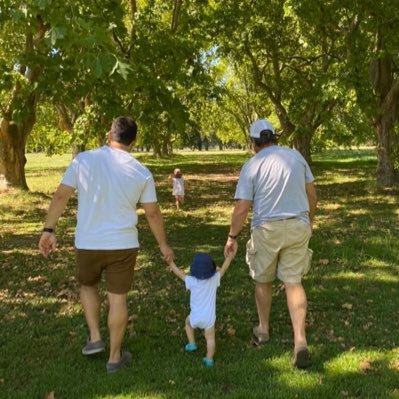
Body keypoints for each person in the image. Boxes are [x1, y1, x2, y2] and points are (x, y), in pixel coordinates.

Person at [39, 116, 174, 374]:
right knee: (118, 299)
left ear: (108, 135)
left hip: (87, 242)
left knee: (87, 285)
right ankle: (114, 358)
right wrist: (163, 245)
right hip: (122, 245)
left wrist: (49, 229)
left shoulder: (83, 160)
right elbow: (153, 214)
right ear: (134, 141)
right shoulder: (141, 172)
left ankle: (95, 337)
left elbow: (61, 195)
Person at [224, 119, 317, 369]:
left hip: (266, 229)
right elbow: (311, 193)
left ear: (254, 143)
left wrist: (232, 236)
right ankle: (300, 341)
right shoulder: (296, 157)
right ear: (274, 138)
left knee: (263, 279)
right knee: (293, 282)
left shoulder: (252, 165)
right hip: (298, 225)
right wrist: (310, 221)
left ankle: (263, 330)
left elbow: (242, 207)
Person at [168, 252, 234, 367]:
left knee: (188, 323)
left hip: (195, 316)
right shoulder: (214, 279)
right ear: (211, 270)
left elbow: (179, 274)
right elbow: (223, 269)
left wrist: (171, 263)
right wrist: (229, 258)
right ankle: (209, 359)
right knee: (210, 338)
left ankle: (192, 343)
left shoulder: (191, 281)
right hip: (209, 318)